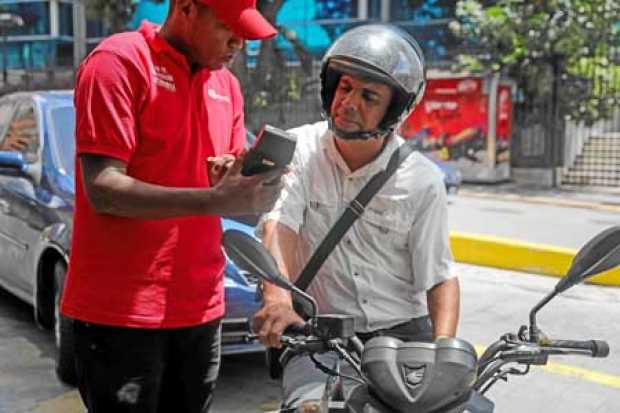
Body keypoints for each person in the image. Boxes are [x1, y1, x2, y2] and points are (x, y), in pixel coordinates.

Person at [60, 1, 283, 412]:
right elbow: (103, 188)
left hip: (201, 306)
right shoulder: (119, 62)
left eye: (245, 33)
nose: (239, 43)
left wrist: (248, 188)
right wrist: (212, 198)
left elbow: (232, 201)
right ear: (186, 8)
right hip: (122, 312)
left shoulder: (226, 85)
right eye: (228, 29)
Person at [252, 24, 460, 409]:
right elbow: (280, 225)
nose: (348, 102)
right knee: (305, 406)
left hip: (402, 336)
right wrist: (278, 299)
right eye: (344, 87)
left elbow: (440, 277)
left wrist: (445, 354)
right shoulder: (300, 150)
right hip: (320, 333)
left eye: (369, 96)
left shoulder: (422, 180)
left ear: (394, 110)